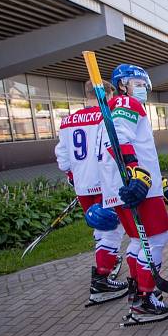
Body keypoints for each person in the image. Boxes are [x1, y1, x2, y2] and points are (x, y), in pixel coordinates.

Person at [100, 64, 168, 325]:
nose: (142, 87)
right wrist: (134, 173)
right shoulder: (126, 103)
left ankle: (137, 290)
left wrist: (159, 181)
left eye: (144, 83)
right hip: (135, 186)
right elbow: (118, 138)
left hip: (126, 186)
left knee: (138, 241)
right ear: (122, 84)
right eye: (136, 82)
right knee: (155, 240)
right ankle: (145, 297)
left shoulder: (115, 105)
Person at [54, 80, 126, 306]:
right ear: (107, 93)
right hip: (105, 182)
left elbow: (62, 158)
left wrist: (73, 176)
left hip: (83, 184)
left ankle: (107, 261)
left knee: (100, 228)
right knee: (113, 229)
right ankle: (101, 279)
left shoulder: (67, 120)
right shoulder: (108, 115)